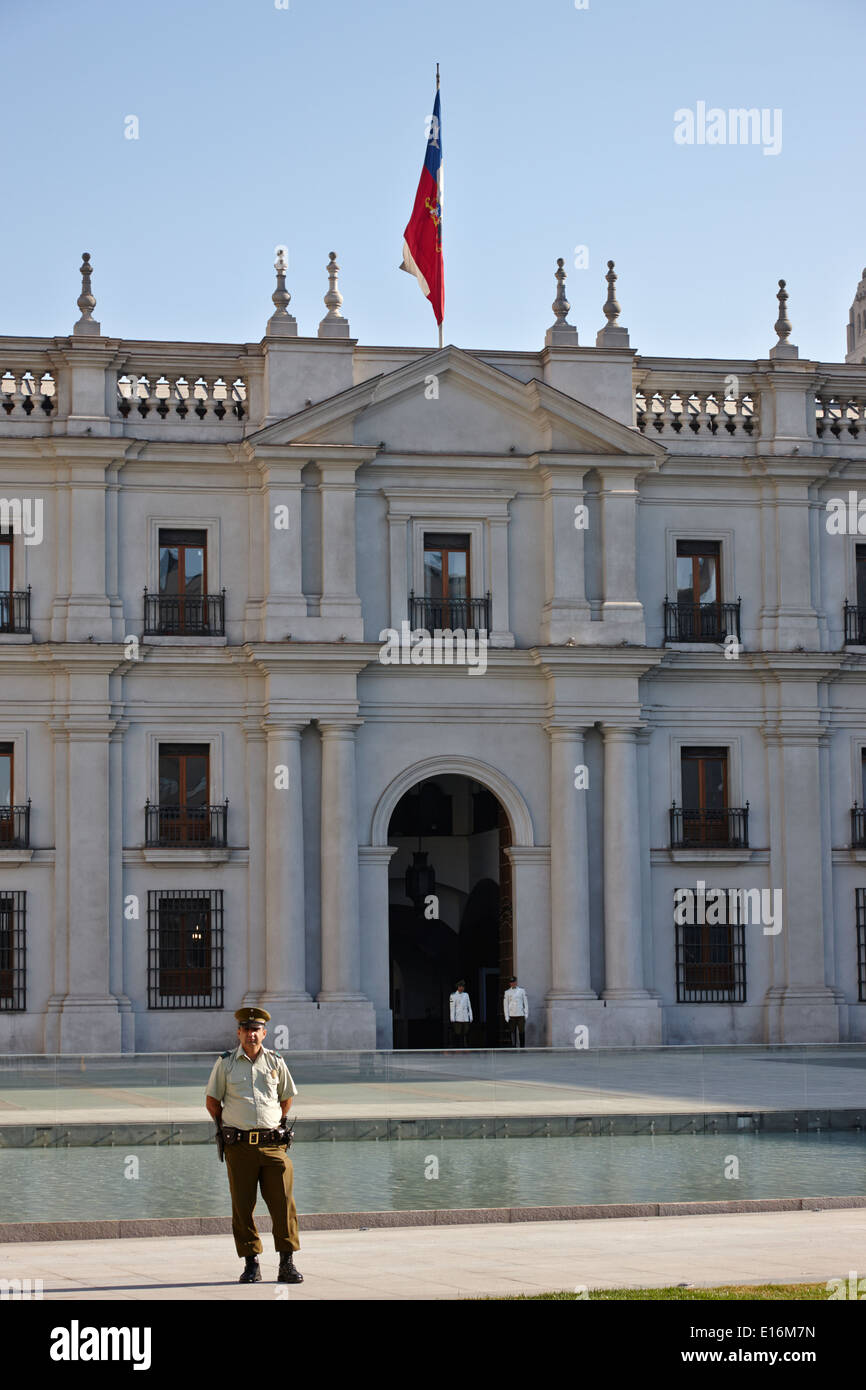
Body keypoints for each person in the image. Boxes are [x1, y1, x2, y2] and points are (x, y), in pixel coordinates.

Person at [205, 1006, 303, 1285]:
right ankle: (251, 1264)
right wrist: (231, 1128)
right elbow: (212, 1102)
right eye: (246, 1029)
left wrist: (277, 1123)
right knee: (243, 1206)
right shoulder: (225, 1064)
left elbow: (286, 1097)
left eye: (256, 1030)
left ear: (264, 1033)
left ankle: (286, 1263)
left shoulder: (275, 1061)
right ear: (239, 1032)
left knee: (284, 1205)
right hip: (240, 1148)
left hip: (273, 1146)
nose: (251, 1034)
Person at [503, 975, 529, 1047]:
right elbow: (505, 1005)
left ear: (516, 982)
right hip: (512, 1015)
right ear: (510, 983)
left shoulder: (521, 991)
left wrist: (526, 1014)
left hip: (520, 1014)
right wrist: (506, 1016)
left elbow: (525, 1003)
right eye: (511, 982)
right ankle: (513, 1047)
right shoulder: (507, 992)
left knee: (521, 1031)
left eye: (514, 982)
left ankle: (522, 1047)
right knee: (512, 1031)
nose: (513, 983)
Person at [449, 979, 473, 1046]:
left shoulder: (466, 995)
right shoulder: (453, 995)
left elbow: (469, 1006)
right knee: (458, 1033)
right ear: (458, 987)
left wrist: (471, 1016)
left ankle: (466, 1047)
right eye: (461, 986)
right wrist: (452, 1018)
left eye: (463, 987)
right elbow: (452, 1008)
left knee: (466, 1033)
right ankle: (458, 1047)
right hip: (458, 1018)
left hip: (465, 1017)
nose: (462, 988)